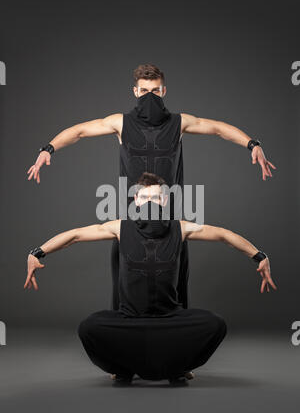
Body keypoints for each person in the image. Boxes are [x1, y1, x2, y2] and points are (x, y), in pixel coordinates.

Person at [26, 64, 277, 315]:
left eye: (155, 91)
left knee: (176, 281)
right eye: (144, 91)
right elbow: (80, 131)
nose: (149, 96)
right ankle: (126, 334)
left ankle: (174, 335)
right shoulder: (120, 123)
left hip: (169, 216)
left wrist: (252, 144)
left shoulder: (179, 123)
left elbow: (218, 128)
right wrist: (48, 149)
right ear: (135, 92)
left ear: (164, 91)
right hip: (132, 218)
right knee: (125, 283)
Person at [24, 172, 277, 386]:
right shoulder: (120, 227)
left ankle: (178, 366)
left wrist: (259, 256)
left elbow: (223, 235)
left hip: (170, 321)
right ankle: (123, 368)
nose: (150, 203)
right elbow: (76, 235)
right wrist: (38, 252)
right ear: (135, 200)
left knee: (216, 324)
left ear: (165, 200)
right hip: (129, 321)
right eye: (144, 198)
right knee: (89, 327)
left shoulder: (181, 227)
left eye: (155, 198)